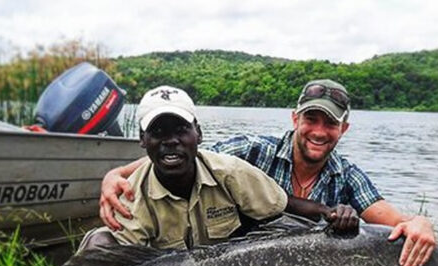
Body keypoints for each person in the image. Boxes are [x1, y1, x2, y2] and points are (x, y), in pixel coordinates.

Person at [99, 79, 436, 266]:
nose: (319, 131)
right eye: (311, 119)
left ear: (343, 129)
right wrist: (115, 174)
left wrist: (418, 222)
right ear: (295, 119)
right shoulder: (249, 151)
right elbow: (182, 154)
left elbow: (389, 218)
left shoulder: (347, 175)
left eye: (330, 123)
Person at [80, 85, 358, 251]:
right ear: (143, 140)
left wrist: (329, 212)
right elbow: (123, 262)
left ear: (198, 135)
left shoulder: (229, 170)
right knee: (100, 244)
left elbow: (283, 205)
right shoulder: (131, 195)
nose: (171, 141)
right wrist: (114, 175)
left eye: (180, 129)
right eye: (158, 132)